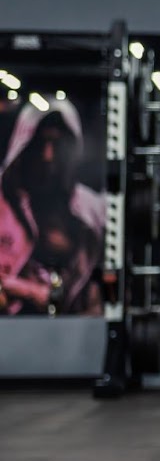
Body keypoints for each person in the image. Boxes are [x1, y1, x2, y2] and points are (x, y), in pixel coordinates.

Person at [0, 99, 106, 316]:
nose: (48, 157)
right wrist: (28, 291)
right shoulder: (4, 203)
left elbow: (104, 289)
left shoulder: (92, 211)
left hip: (68, 339)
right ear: (25, 146)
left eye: (57, 144)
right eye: (40, 144)